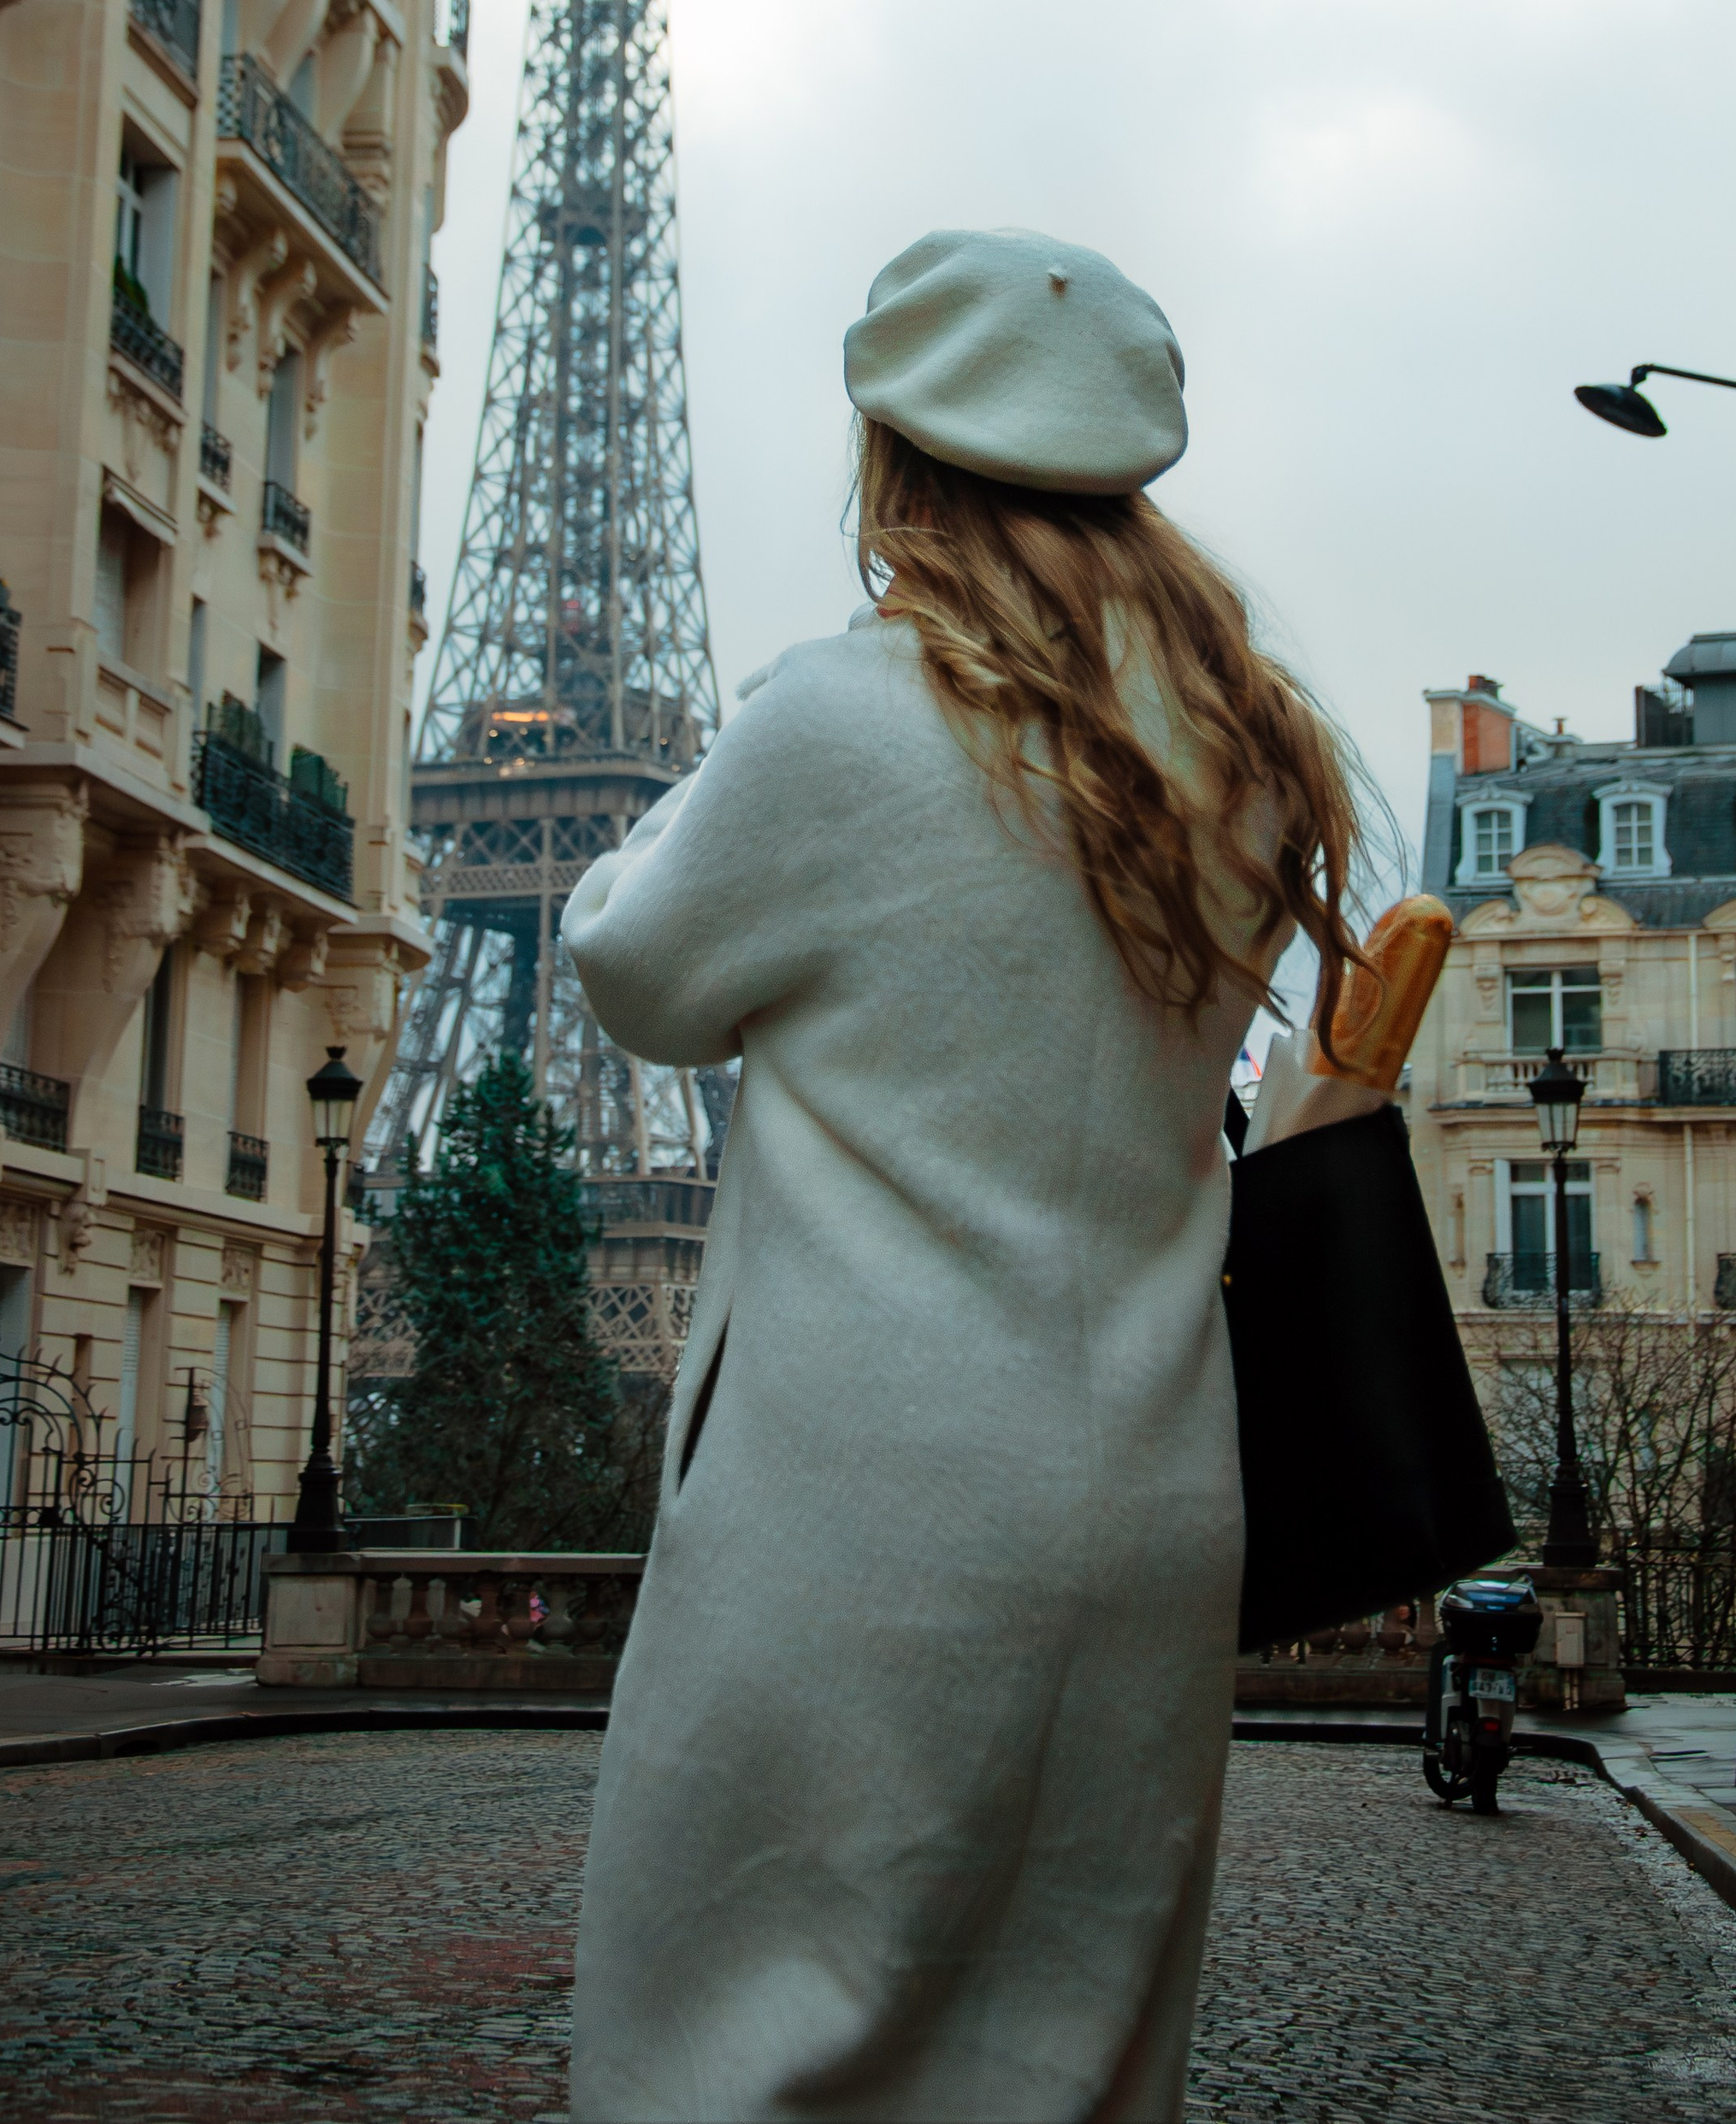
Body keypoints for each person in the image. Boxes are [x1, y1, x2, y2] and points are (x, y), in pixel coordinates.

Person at [563, 227, 1366, 2124]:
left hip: (862, 1499)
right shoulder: (1242, 756)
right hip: (1153, 1493)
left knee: (742, 2029)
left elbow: (634, 965)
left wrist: (766, 709)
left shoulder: (842, 715)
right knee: (1070, 2042)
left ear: (899, 461)